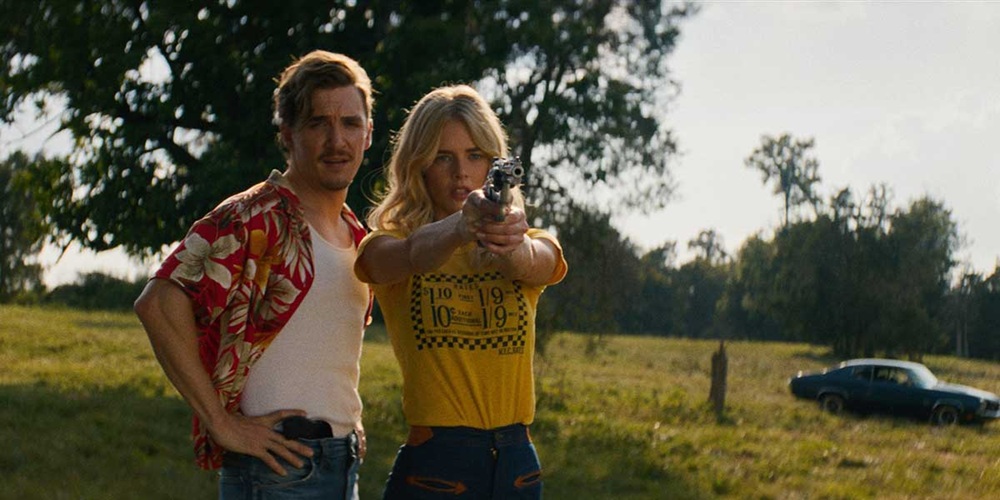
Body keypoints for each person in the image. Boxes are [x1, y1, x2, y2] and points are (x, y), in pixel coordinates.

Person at [134, 50, 374, 499]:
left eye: (350, 123)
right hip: (276, 471)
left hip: (343, 469)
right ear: (288, 134)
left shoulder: (358, 235)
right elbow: (158, 304)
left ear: (368, 133)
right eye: (318, 123)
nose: (336, 140)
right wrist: (220, 423)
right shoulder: (252, 217)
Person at [354, 84, 568, 499]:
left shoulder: (530, 239)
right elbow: (401, 257)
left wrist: (508, 241)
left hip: (516, 463)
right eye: (443, 157)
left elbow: (537, 261)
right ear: (418, 164)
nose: (461, 173)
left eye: (475, 155)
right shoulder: (387, 243)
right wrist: (460, 226)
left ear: (493, 162)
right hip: (438, 465)